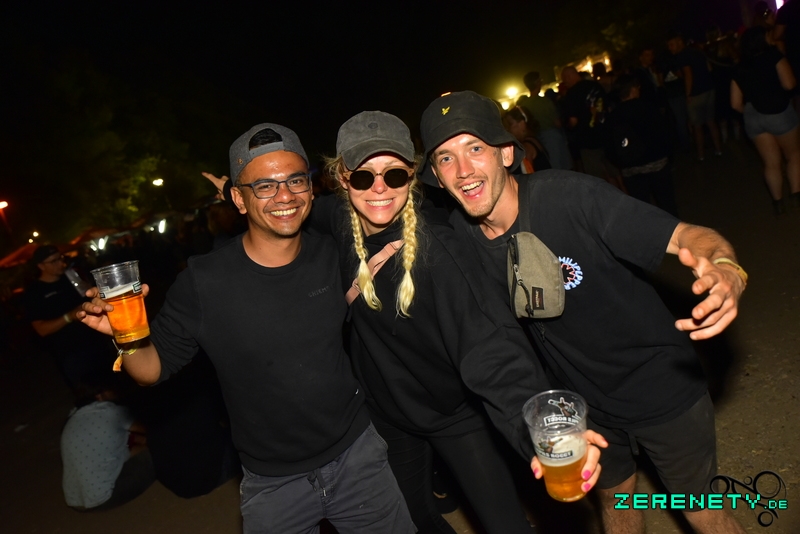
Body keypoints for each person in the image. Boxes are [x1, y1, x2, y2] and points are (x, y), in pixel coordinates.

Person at [205, 113, 605, 533]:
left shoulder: (441, 250)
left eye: (394, 174)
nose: (379, 189)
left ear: (412, 177)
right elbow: (288, 205)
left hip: (453, 413)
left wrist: (538, 428)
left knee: (504, 523)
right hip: (385, 415)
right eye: (364, 177)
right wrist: (244, 192)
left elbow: (490, 347)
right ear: (343, 178)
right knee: (413, 519)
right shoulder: (336, 219)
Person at [418, 90, 748, 534]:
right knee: (615, 500)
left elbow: (688, 235)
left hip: (661, 390)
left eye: (475, 148)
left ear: (507, 153)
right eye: (445, 158)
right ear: (438, 178)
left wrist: (726, 268)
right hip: (583, 407)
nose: (463, 170)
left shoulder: (570, 197)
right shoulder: (461, 241)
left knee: (700, 507)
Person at [80, 124, 414, 533]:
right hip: (273, 481)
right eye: (265, 186)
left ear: (310, 189)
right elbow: (151, 371)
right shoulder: (204, 282)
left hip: (358, 455)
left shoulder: (333, 254)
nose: (285, 196)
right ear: (238, 199)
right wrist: (126, 334)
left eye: (295, 180)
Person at [23, 245, 115, 394]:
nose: (61, 263)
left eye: (61, 258)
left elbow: (89, 297)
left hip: (96, 343)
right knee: (92, 395)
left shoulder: (71, 277)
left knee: (113, 387)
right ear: (41, 266)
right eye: (53, 261)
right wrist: (69, 316)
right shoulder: (34, 293)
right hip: (71, 353)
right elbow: (41, 329)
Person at [732, 26, 800, 214]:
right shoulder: (774, 57)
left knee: (770, 163)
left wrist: (752, 110)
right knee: (794, 155)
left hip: (753, 117)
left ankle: (778, 203)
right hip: (779, 112)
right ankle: (796, 195)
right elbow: (789, 84)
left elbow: (735, 103)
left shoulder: (740, 66)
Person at [61, 380, 156, 511]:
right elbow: (151, 430)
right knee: (158, 450)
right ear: (99, 396)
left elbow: (118, 448)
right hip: (104, 499)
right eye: (110, 389)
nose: (115, 391)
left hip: (76, 502)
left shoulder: (72, 418)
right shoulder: (110, 411)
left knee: (136, 444)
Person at [605, 74, 679, 216]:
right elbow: (666, 132)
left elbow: (609, 146)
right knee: (668, 206)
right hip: (657, 164)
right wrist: (668, 155)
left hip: (631, 170)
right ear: (633, 90)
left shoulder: (613, 116)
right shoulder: (648, 107)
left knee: (642, 211)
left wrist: (622, 163)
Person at [667, 31, 724, 161]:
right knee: (711, 121)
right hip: (709, 89)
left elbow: (688, 75)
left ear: (679, 42)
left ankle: (701, 155)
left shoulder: (682, 56)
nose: (670, 48)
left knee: (697, 126)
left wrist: (688, 94)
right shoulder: (697, 51)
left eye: (671, 44)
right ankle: (718, 149)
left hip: (696, 94)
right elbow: (709, 68)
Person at [516, 71, 572, 169]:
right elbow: (557, 123)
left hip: (536, 139)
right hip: (552, 137)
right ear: (537, 82)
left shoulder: (524, 105)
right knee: (561, 165)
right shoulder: (545, 101)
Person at [502, 105, 552, 172]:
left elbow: (527, 173)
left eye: (510, 124)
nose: (507, 129)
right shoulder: (534, 140)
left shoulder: (526, 147)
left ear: (522, 124)